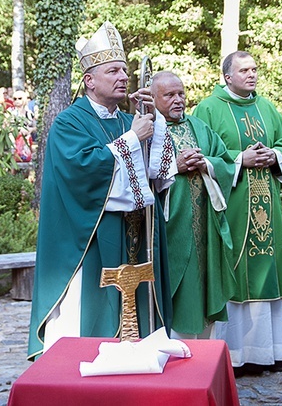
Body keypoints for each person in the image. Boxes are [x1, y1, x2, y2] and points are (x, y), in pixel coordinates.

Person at [27, 21, 177, 359]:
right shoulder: (70, 121)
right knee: (90, 320)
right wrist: (132, 140)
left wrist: (155, 126)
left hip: (135, 236)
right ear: (90, 80)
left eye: (124, 70)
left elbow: (157, 175)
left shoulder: (128, 119)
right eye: (113, 71)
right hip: (91, 240)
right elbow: (81, 171)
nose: (123, 77)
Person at [193, 51, 282, 375]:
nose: (251, 75)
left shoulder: (265, 107)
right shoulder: (208, 109)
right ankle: (235, 355)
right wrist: (240, 160)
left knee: (265, 273)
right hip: (233, 208)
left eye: (254, 69)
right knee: (235, 273)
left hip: (267, 206)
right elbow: (204, 156)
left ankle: (269, 351)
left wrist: (274, 155)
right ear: (227, 76)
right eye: (244, 70)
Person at [151, 71, 236, 339]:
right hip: (171, 227)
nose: (178, 100)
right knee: (178, 290)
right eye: (169, 95)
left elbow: (226, 163)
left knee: (205, 285)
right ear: (153, 98)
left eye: (181, 93)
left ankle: (204, 358)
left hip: (205, 229)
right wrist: (173, 167)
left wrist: (207, 164)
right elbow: (137, 174)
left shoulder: (199, 127)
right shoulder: (147, 130)